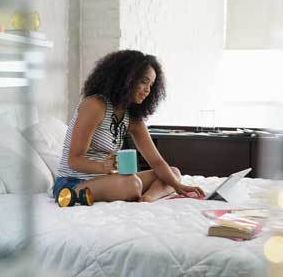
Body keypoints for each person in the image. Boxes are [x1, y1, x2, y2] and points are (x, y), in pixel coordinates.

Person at [54, 50, 205, 203]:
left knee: (173, 173)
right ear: (126, 79)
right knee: (132, 183)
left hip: (109, 180)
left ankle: (147, 199)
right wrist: (103, 167)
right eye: (143, 82)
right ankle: (74, 196)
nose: (148, 90)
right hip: (73, 183)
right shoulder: (95, 106)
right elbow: (74, 160)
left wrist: (178, 186)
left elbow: (157, 162)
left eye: (151, 85)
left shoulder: (132, 118)